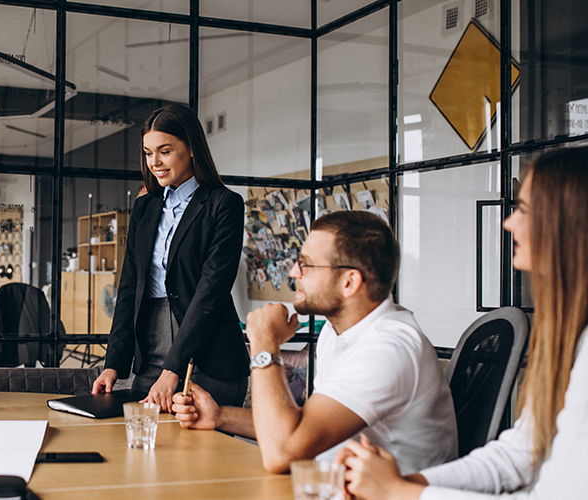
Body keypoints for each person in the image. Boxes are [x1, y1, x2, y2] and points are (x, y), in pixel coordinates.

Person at [338, 148, 588, 499]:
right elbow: (516, 456)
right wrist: (405, 484)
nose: (508, 222)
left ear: (570, 222)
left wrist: (398, 492)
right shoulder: (572, 337)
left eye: (525, 210)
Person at [172, 210, 457, 474]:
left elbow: (281, 453)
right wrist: (220, 416)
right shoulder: (336, 332)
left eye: (306, 264)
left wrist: (264, 343)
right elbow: (301, 428)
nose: (294, 273)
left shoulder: (389, 349)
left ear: (349, 282)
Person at [92, 103, 249, 411]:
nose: (155, 162)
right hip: (151, 349)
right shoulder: (145, 207)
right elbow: (129, 287)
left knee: (199, 455)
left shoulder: (224, 205)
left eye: (164, 151)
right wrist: (114, 363)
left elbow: (211, 292)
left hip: (210, 356)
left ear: (191, 148)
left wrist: (173, 368)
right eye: (148, 153)